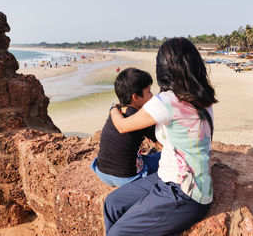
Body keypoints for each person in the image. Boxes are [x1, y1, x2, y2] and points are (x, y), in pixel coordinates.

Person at [104, 37, 218, 235]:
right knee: (112, 204)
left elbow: (122, 126)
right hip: (168, 176)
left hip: (186, 192)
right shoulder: (203, 95)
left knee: (117, 233)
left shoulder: (165, 101)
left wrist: (113, 108)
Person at [90, 67, 158, 187]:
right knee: (163, 157)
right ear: (135, 97)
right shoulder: (141, 117)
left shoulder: (117, 110)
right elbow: (161, 143)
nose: (152, 95)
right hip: (127, 178)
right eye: (148, 91)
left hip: (102, 173)